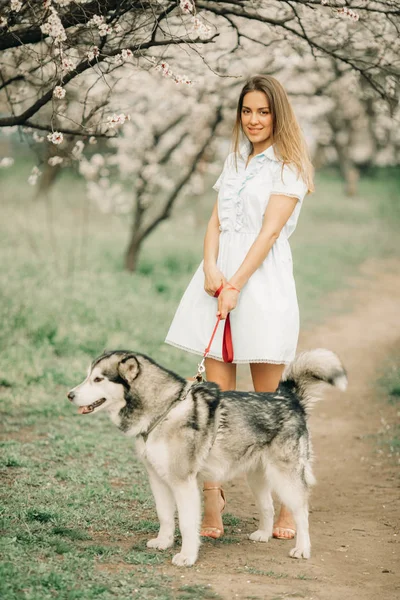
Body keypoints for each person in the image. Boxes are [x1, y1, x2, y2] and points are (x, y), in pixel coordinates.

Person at [165, 74, 314, 540]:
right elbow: (215, 223)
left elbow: (268, 233)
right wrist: (211, 269)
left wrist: (237, 285)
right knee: (212, 400)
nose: (254, 120)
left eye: (263, 112)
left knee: (271, 405)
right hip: (217, 282)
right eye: (247, 111)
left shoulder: (288, 167)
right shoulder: (233, 161)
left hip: (261, 282)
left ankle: (288, 507)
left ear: (277, 115)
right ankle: (213, 502)